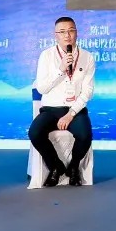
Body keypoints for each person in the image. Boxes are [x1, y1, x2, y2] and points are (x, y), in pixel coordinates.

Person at [29, 16, 95, 187]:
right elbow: (42, 89)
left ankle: (73, 167)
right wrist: (61, 69)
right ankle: (55, 167)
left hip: (75, 109)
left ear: (77, 33)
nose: (67, 35)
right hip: (51, 109)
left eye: (71, 30)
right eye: (62, 32)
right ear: (55, 35)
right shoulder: (47, 56)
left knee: (85, 135)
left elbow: (88, 91)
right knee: (35, 133)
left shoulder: (87, 57)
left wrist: (71, 114)